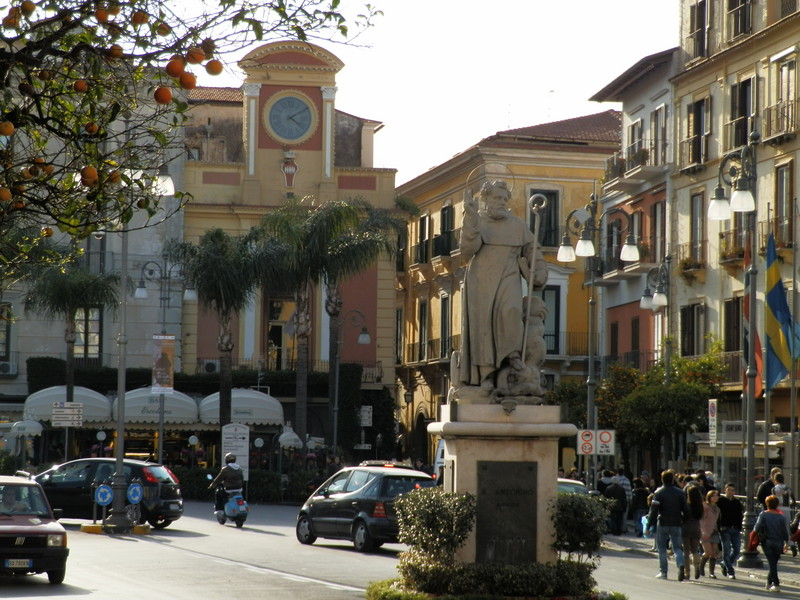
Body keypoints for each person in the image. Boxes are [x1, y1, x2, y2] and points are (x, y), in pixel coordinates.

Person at [455, 179, 547, 399]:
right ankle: (486, 376)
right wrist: (470, 217)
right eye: (497, 197)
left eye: (505, 198)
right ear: (485, 199)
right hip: (481, 281)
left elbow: (533, 251)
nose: (502, 202)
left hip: (509, 277)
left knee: (512, 312)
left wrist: (540, 269)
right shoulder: (478, 222)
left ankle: (512, 355)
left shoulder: (518, 226)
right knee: (483, 329)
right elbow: (468, 249)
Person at [647, 469, 689, 581]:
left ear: (662, 479)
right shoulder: (680, 492)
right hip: (676, 522)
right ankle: (680, 564)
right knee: (677, 547)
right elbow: (685, 509)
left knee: (661, 548)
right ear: (673, 479)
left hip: (663, 522)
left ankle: (663, 572)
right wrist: (684, 520)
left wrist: (648, 525)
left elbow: (654, 510)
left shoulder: (658, 493)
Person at [755, 494, 790, 592]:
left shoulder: (763, 514)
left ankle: (776, 584)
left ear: (767, 504)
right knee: (773, 563)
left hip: (767, 542)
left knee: (772, 564)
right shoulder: (781, 517)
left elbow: (756, 528)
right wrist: (786, 543)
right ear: (777, 504)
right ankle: (769, 582)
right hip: (778, 543)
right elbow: (784, 531)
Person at [717, 482, 743, 579]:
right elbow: (717, 515)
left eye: (732, 490)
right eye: (729, 490)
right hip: (725, 529)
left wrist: (739, 527)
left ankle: (724, 564)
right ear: (725, 490)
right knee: (726, 550)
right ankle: (730, 571)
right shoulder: (721, 501)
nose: (731, 492)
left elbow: (740, 515)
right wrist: (719, 527)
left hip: (735, 529)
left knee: (737, 550)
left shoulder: (737, 502)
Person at [682, 482, 704, 579]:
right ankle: (697, 566)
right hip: (696, 528)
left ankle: (687, 572)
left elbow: (683, 517)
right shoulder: (700, 506)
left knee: (686, 552)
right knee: (695, 550)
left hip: (686, 528)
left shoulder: (686, 506)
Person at [772, 472, 796, 556]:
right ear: (783, 480)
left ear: (775, 480)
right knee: (786, 528)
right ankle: (792, 544)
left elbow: (773, 500)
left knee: (778, 529)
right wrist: (790, 505)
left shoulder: (774, 489)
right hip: (787, 509)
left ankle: (780, 547)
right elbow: (793, 500)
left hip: (778, 509)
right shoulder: (788, 488)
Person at [699, 489, 721, 578]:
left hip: (714, 531)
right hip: (705, 532)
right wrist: (702, 530)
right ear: (709, 497)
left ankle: (711, 572)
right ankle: (701, 565)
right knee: (708, 552)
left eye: (717, 496)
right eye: (713, 496)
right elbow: (701, 519)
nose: (715, 498)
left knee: (713, 554)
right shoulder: (705, 506)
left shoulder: (717, 508)